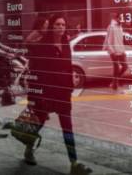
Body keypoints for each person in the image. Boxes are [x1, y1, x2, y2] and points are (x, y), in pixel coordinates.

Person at [26, 14, 92, 175]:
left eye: (63, 24)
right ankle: (28, 149)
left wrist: (69, 87)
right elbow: (37, 71)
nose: (60, 27)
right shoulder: (43, 45)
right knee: (39, 122)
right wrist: (37, 95)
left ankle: (74, 163)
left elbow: (68, 66)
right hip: (47, 92)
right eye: (57, 24)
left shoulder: (66, 43)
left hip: (62, 92)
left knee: (67, 127)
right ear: (51, 27)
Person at [103, 13, 128, 91]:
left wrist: (123, 50)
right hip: (113, 51)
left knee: (125, 66)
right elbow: (108, 41)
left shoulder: (120, 27)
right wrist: (112, 52)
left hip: (120, 50)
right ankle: (114, 85)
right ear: (116, 18)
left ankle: (115, 81)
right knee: (116, 67)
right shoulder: (111, 27)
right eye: (120, 19)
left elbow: (120, 40)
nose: (122, 21)